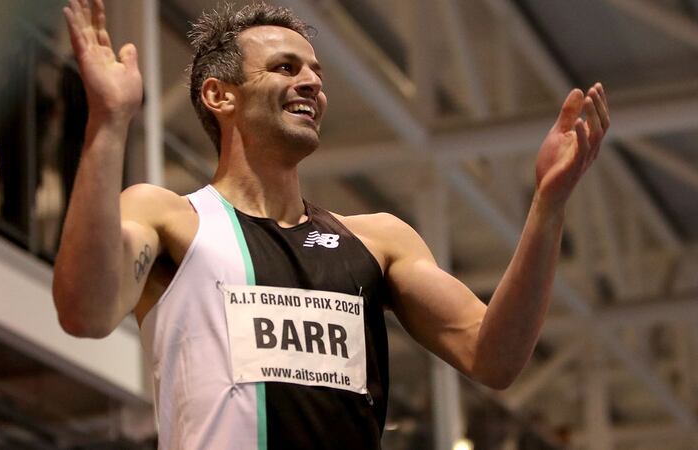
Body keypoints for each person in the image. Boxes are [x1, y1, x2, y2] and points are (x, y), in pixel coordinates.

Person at [53, 1, 610, 449]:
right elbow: (84, 311)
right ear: (220, 95)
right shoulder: (169, 217)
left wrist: (547, 207)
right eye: (285, 68)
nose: (313, 84)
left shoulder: (379, 240)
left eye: (317, 72)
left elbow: (495, 358)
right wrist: (108, 124)